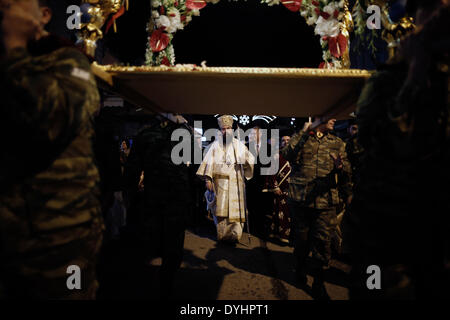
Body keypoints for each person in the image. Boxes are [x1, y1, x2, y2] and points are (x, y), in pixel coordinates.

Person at [345, 0, 449, 299]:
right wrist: (414, 73)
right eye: (433, 9)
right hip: (389, 233)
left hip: (437, 233)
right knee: (376, 287)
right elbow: (378, 139)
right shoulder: (390, 78)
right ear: (416, 18)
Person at [0, 0, 103, 299]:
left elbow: (48, 120)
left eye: (11, 4)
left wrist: (14, 45)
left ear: (43, 15)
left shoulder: (67, 62)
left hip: (56, 236)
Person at [281, 117, 352, 299]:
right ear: (319, 118)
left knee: (322, 243)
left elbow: (346, 171)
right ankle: (300, 268)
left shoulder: (337, 142)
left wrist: (342, 171)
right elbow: (287, 154)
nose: (334, 120)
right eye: (330, 116)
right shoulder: (302, 138)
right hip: (301, 200)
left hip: (325, 201)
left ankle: (319, 283)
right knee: (302, 242)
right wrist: (305, 132)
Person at [124, 112, 193, 299]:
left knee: (149, 240)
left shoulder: (145, 135)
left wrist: (129, 196)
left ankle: (142, 283)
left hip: (152, 197)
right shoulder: (185, 135)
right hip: (176, 199)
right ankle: (166, 283)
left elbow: (132, 170)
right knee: (173, 243)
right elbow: (191, 170)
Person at [197, 115, 254, 243]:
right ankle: (222, 235)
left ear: (232, 129)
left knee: (236, 212)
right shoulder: (214, 146)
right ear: (220, 130)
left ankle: (235, 236)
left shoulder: (239, 145)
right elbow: (208, 163)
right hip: (220, 183)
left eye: (228, 128)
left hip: (236, 183)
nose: (226, 131)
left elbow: (250, 162)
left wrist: (244, 160)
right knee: (221, 212)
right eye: (223, 129)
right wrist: (208, 180)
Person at [264, 132, 292, 245]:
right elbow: (271, 173)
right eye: (283, 140)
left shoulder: (297, 154)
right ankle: (280, 236)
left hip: (294, 192)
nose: (285, 142)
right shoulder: (276, 155)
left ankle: (292, 237)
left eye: (288, 140)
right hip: (281, 191)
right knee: (281, 214)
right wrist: (275, 187)